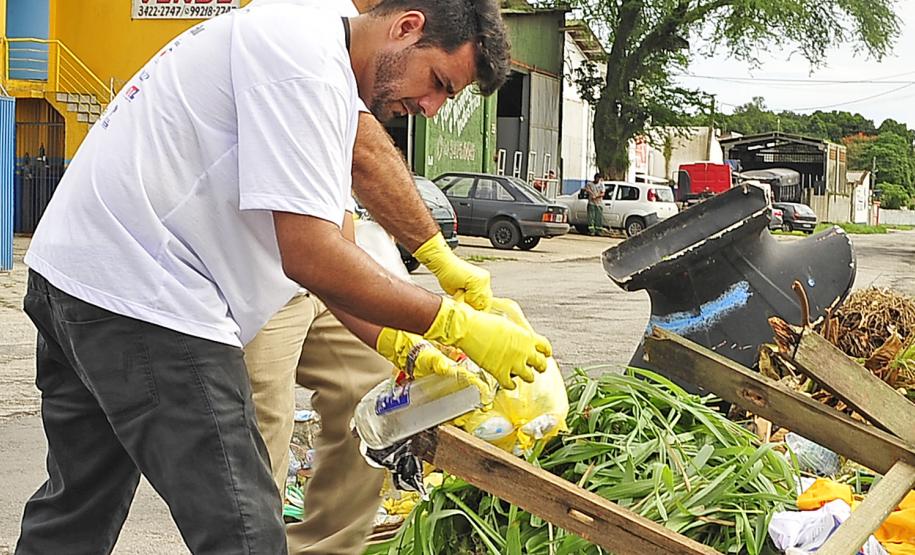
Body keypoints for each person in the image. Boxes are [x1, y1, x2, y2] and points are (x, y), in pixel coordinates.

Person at [16, 2, 551, 554]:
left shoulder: (317, 56)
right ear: (407, 27)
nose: (432, 107)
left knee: (77, 511)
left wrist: (401, 346)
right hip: (148, 300)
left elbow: (336, 254)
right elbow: (310, 257)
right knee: (243, 532)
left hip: (78, 275)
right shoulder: (306, 66)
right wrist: (453, 324)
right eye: (438, 82)